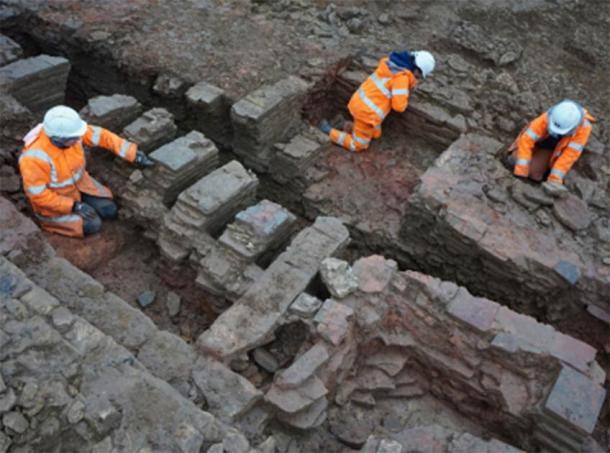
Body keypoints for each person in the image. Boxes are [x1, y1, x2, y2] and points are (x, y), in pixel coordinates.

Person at [19, 105, 155, 238]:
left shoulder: (71, 134)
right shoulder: (33, 159)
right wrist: (73, 206)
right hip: (56, 201)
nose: (80, 139)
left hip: (81, 185)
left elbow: (102, 136)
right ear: (58, 139)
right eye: (75, 138)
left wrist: (132, 153)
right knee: (93, 225)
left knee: (110, 211)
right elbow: (38, 196)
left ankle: (85, 203)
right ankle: (51, 224)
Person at [319, 50, 435, 153]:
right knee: (358, 146)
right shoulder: (401, 78)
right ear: (416, 69)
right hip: (366, 114)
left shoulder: (390, 64)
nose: (418, 79)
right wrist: (406, 93)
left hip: (360, 102)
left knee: (376, 134)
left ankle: (348, 126)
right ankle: (329, 130)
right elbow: (399, 106)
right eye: (419, 76)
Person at [509, 99, 594, 193]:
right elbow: (527, 140)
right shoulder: (552, 115)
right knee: (515, 160)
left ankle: (539, 166)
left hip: (551, 148)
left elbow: (569, 155)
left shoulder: (584, 128)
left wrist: (554, 180)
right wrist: (521, 171)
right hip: (541, 141)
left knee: (535, 174)